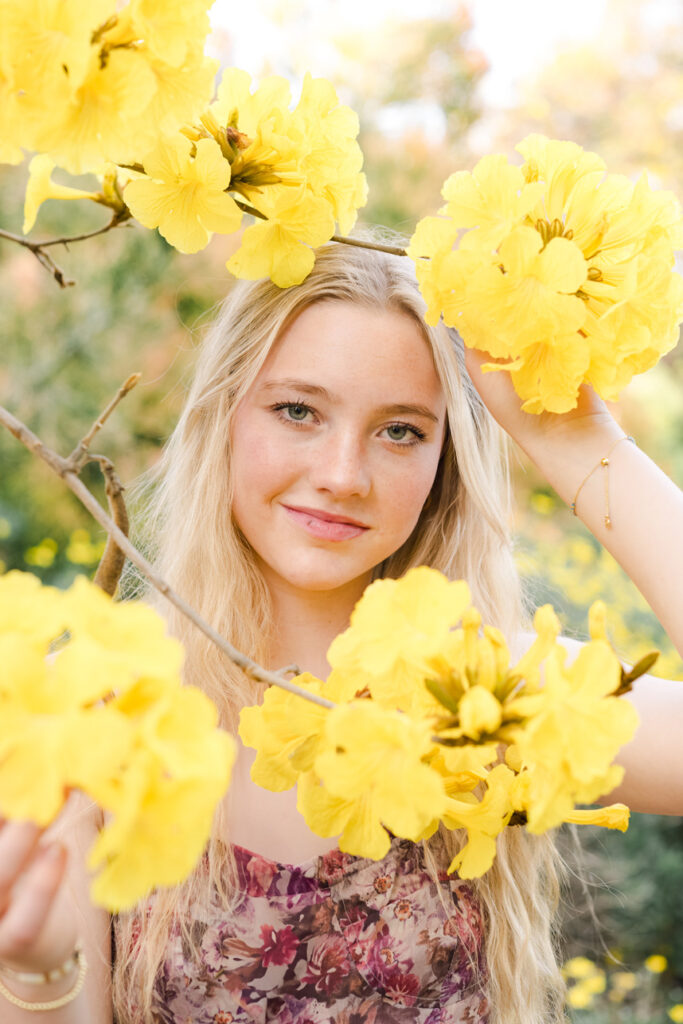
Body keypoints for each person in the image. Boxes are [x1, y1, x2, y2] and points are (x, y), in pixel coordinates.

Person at [0, 242, 681, 1024]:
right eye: (298, 411)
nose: (341, 474)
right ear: (223, 414)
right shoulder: (93, 706)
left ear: (444, 462)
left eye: (401, 431)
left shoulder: (483, 694)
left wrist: (575, 439)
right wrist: (39, 973)